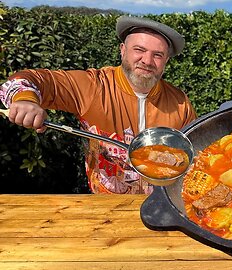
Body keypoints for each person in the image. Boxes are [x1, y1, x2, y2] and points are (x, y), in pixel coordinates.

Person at [0, 16, 197, 194]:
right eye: (139, 50)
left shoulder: (180, 102)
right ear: (122, 51)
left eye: (158, 55)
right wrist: (26, 99)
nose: (147, 60)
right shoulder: (93, 86)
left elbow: (195, 155)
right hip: (103, 205)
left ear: (166, 61)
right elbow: (29, 80)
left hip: (163, 204)